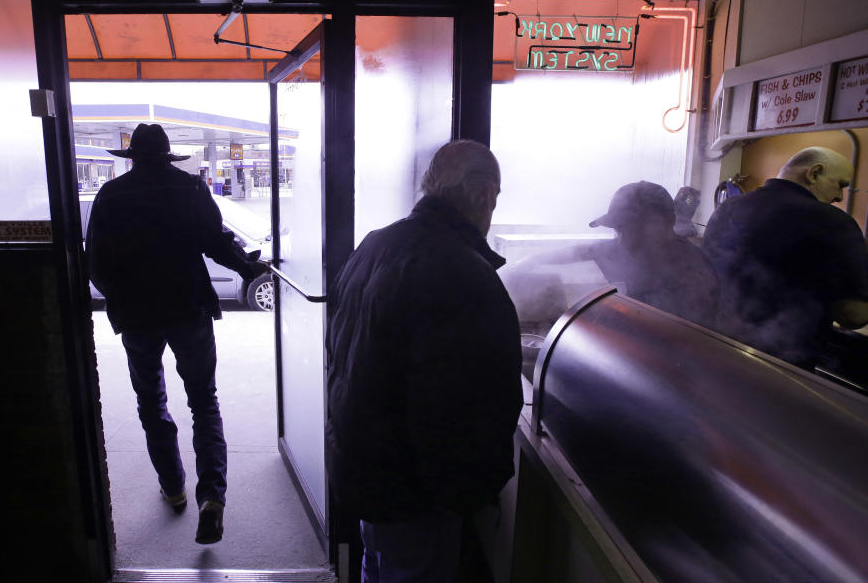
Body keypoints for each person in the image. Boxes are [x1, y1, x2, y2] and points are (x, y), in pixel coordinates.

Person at [326, 140, 523, 583]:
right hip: (413, 493)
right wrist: (476, 494)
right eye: (495, 197)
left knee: (376, 566)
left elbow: (341, 350)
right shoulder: (463, 274)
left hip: (364, 467)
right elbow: (463, 410)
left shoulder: (376, 245)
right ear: (482, 193)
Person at [86, 123, 267, 544]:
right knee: (204, 401)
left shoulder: (111, 196)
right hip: (189, 308)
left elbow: (95, 262)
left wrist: (120, 300)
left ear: (133, 157)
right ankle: (212, 498)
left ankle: (174, 488)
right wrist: (247, 268)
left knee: (151, 402)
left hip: (138, 316)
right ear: (168, 156)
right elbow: (216, 242)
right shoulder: (189, 189)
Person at [702, 146, 868, 369]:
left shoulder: (728, 208)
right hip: (782, 365)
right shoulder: (834, 223)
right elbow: (854, 316)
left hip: (715, 349)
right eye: (840, 184)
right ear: (814, 173)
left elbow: (703, 275)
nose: (839, 196)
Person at [510, 181, 719, 329]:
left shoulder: (695, 273)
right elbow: (582, 251)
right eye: (619, 229)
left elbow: (695, 345)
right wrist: (529, 263)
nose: (624, 240)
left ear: (668, 222)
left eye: (636, 228)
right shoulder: (623, 248)